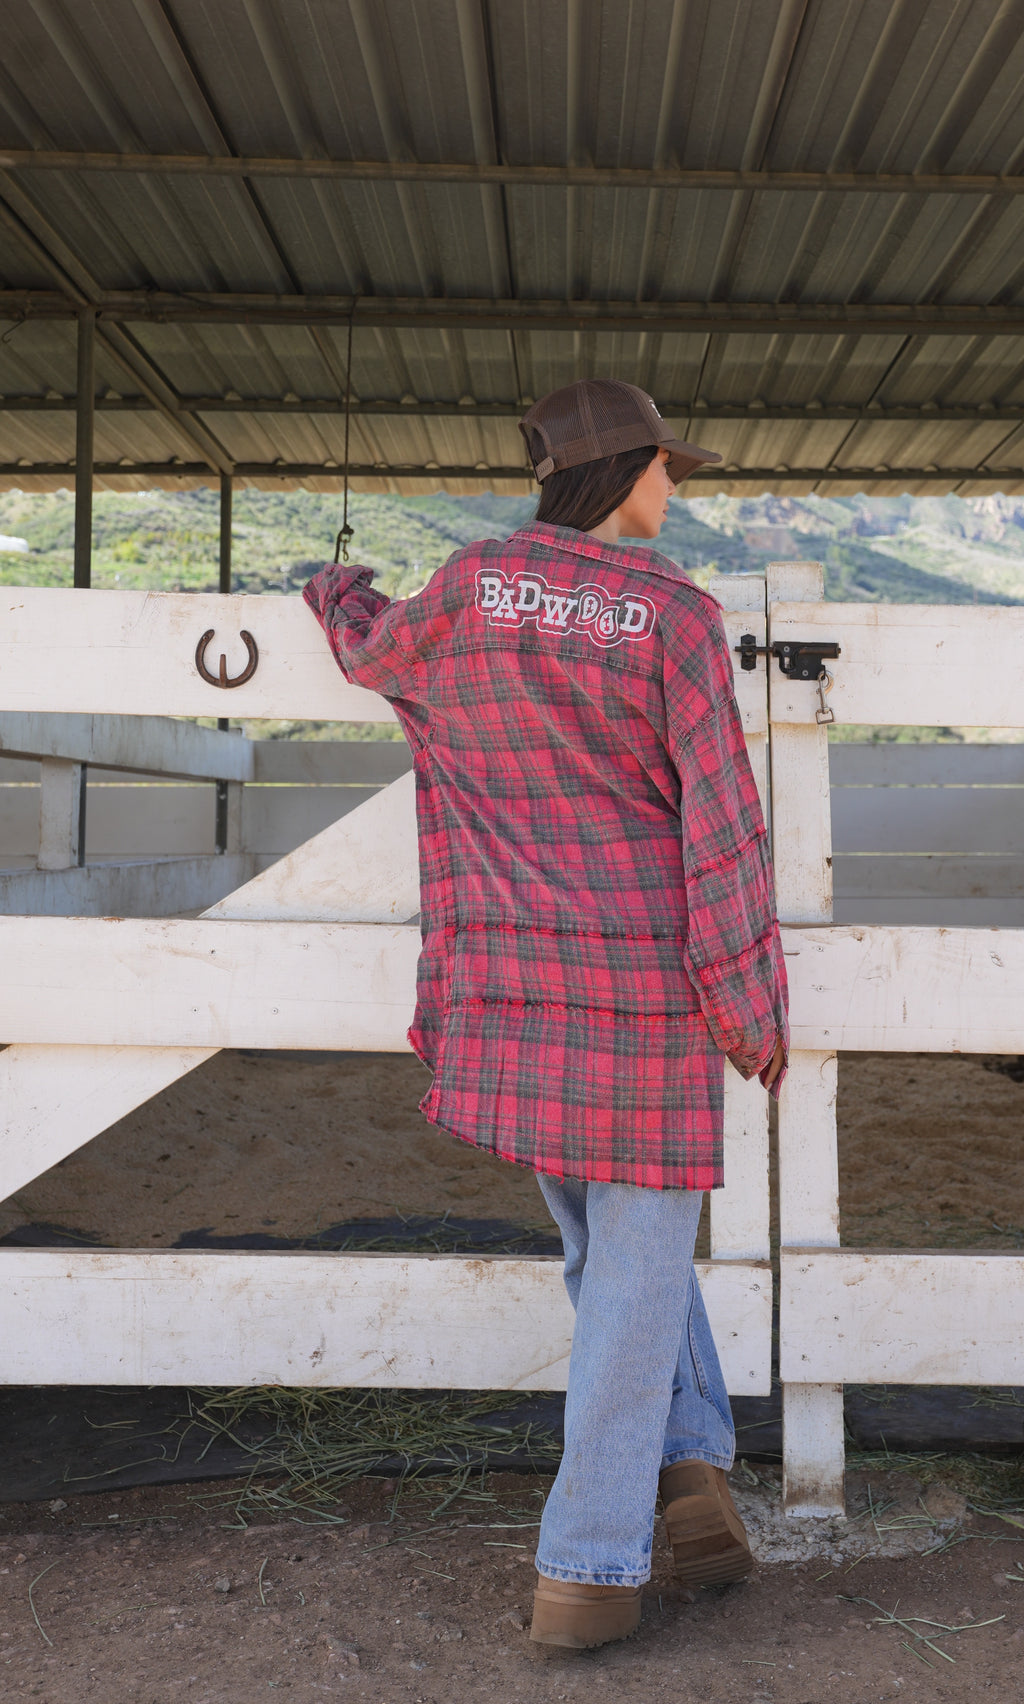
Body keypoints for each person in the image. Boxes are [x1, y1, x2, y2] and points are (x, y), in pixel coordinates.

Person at [303, 378, 789, 1653]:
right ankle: (586, 1564)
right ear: (621, 471)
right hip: (644, 995)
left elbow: (369, 649)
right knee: (632, 1275)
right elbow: (722, 827)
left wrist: (331, 585)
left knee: (608, 1259)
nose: (674, 490)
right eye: (663, 469)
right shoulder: (674, 619)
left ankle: (685, 1470)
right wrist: (749, 1001)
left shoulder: (464, 592)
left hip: (515, 984)